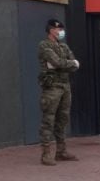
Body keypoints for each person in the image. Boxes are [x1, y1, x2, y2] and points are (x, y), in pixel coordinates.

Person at [38, 19, 80, 166]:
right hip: (52, 87)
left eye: (61, 29)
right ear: (51, 30)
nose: (61, 31)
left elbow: (74, 64)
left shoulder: (63, 46)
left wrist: (66, 64)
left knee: (63, 119)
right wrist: (67, 63)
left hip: (65, 86)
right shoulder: (44, 45)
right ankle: (46, 154)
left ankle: (61, 151)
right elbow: (57, 62)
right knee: (48, 120)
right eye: (58, 29)